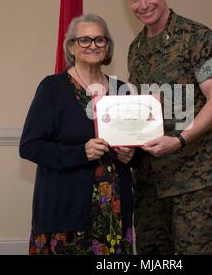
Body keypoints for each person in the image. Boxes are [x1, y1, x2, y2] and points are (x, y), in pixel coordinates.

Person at [122, 0, 212, 254]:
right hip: (148, 182)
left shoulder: (197, 37)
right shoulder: (136, 49)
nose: (144, 5)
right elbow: (141, 110)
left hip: (191, 178)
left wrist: (179, 139)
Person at [19, 13, 135, 255]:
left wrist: (131, 155)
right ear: (71, 46)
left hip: (113, 214)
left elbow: (138, 146)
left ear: (107, 47)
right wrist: (81, 152)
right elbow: (30, 146)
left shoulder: (123, 90)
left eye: (100, 40)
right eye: (84, 40)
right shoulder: (52, 88)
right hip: (65, 212)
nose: (93, 45)